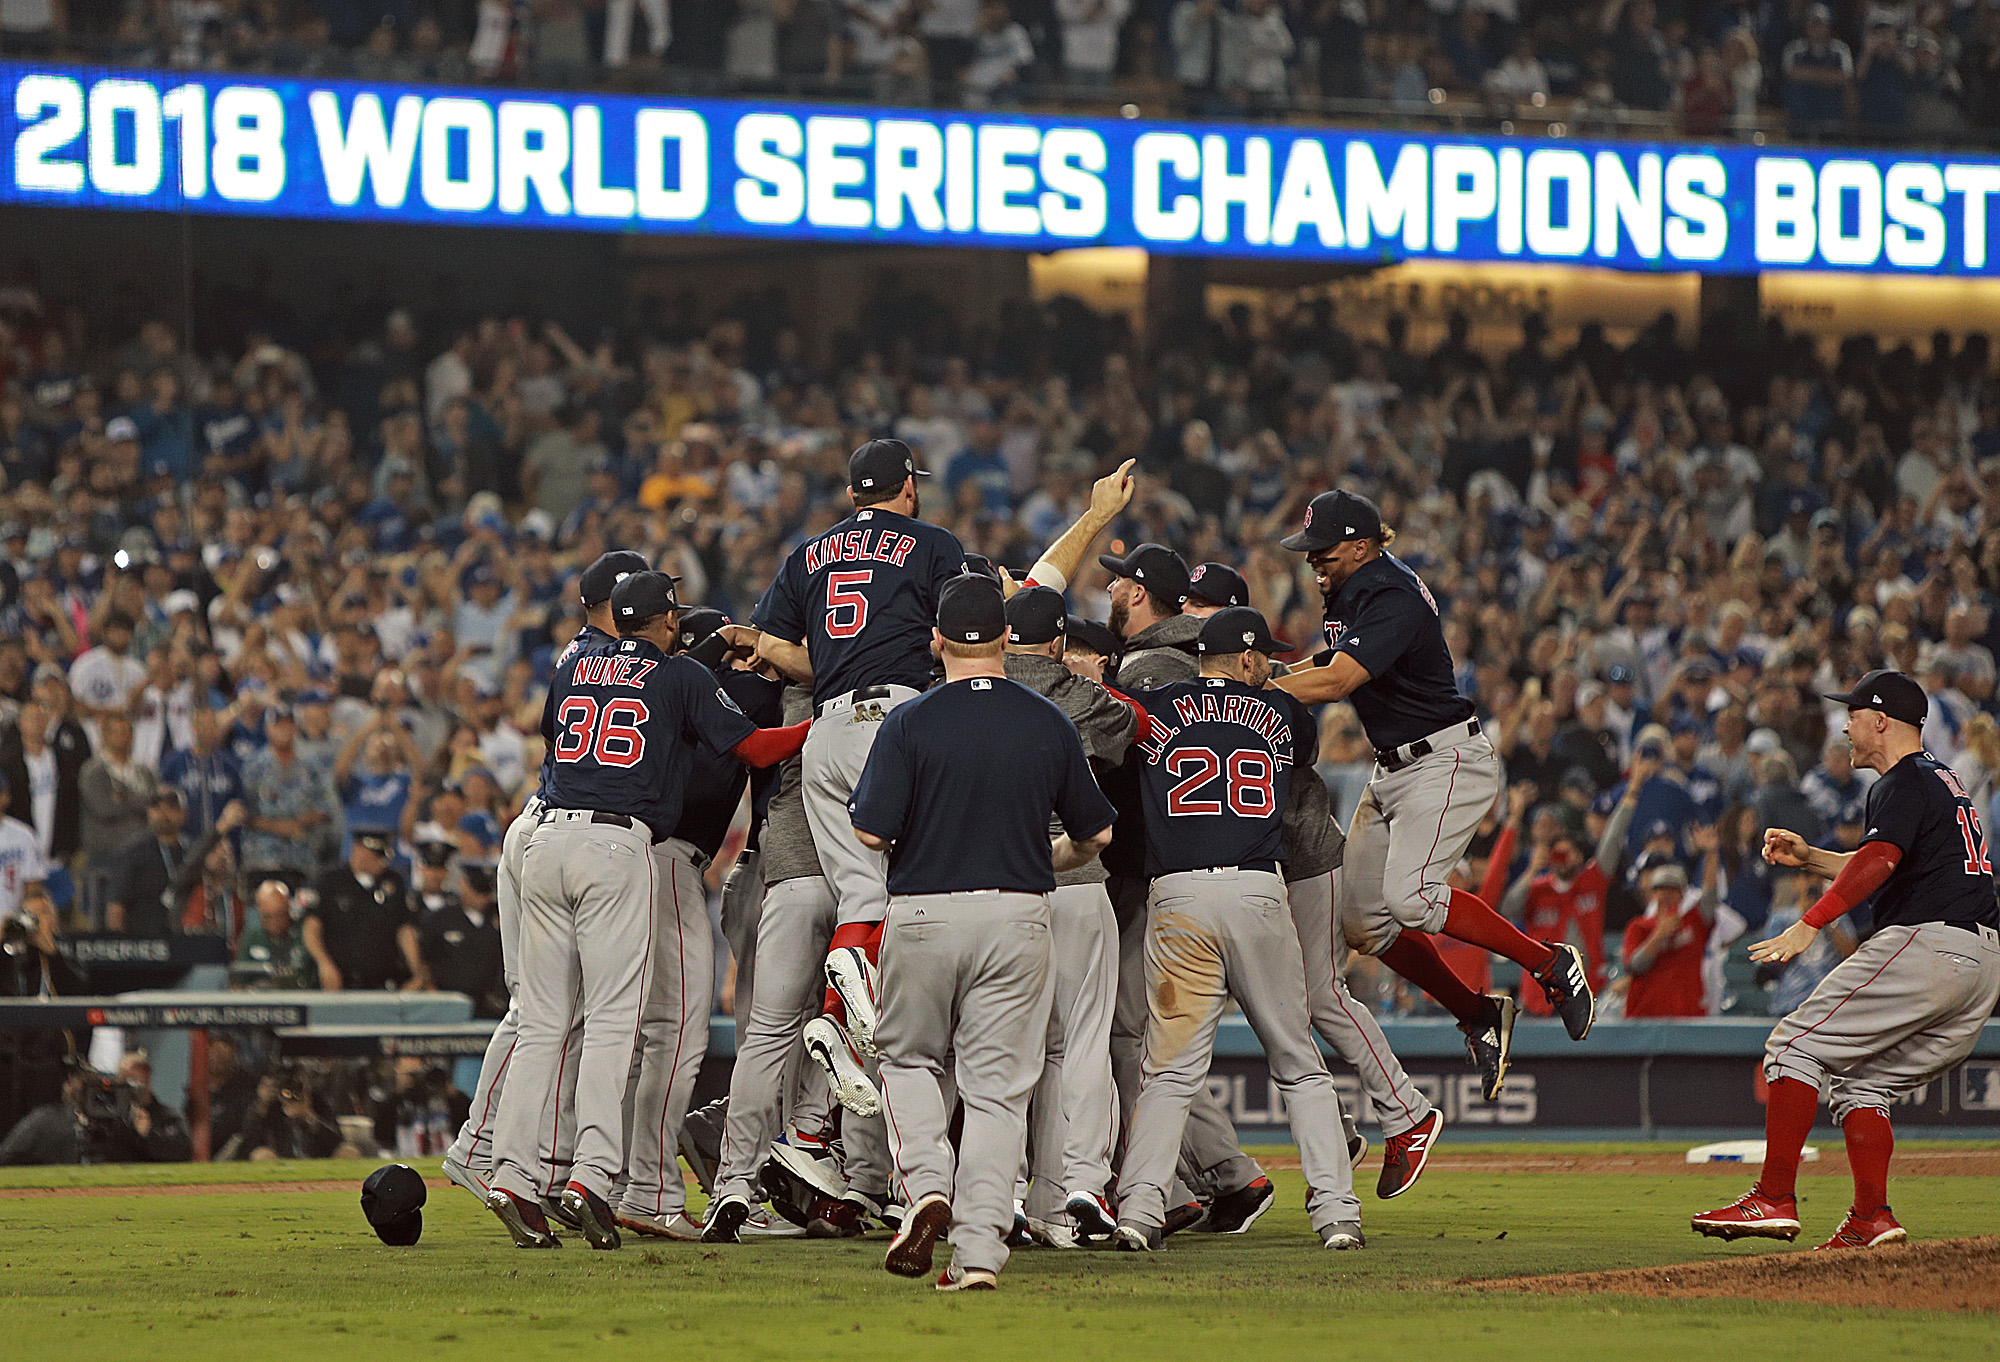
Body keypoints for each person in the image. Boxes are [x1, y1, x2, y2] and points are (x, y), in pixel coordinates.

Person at [484, 570, 807, 1251]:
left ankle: (512, 1172)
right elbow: (753, 747)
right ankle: (594, 1178)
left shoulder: (576, 662)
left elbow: (553, 736)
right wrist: (822, 728)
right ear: (663, 621)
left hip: (546, 836)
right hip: (616, 843)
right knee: (611, 1024)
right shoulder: (679, 676)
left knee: (544, 1022)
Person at [1272, 490, 1595, 1100]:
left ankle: (1550, 963)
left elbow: (1341, 679)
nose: (1314, 561)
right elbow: (1333, 659)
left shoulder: (1389, 590)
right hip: (1396, 770)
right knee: (1364, 922)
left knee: (1411, 898)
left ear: (1361, 546)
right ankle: (1476, 1013)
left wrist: (1263, 679)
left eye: (1325, 550)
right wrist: (1279, 673)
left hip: (1445, 759)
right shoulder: (1354, 588)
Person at [848, 574, 1116, 1290]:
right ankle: (978, 1255)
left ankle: (928, 1184)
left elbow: (870, 828)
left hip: (926, 913)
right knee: (1000, 1091)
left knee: (907, 1061)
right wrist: (1051, 855)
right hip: (1018, 912)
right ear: (1004, 638)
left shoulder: (908, 721)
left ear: (936, 640)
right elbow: (1096, 834)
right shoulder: (1047, 720)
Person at [1694, 671, 2000, 1251]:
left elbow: (1881, 861)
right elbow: (1884, 859)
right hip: (1981, 962)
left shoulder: (1902, 781)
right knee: (1863, 1082)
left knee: (1792, 1045)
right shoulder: (1939, 779)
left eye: (1854, 714)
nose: (1845, 724)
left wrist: (1810, 923)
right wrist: (1812, 858)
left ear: (1881, 721)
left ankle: (1774, 1197)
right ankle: (1870, 1217)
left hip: (1931, 943)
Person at [1110, 607, 1362, 1252]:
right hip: (1257, 890)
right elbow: (1296, 734)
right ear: (1248, 658)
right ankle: (1336, 1214)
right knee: (1298, 1062)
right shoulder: (1281, 713)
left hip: (1179, 898)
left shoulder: (1150, 707)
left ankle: (1139, 1212)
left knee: (1168, 1072)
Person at [441, 549, 645, 1211]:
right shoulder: (603, 660)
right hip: (550, 831)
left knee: (557, 1015)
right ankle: (480, 1148)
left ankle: (536, 1160)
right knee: (540, 1011)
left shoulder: (575, 657)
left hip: (545, 830)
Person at [999, 587, 1135, 1244]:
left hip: (1005, 887)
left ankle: (1008, 1193)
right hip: (1078, 878)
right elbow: (1128, 729)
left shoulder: (978, 692)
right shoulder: (1082, 697)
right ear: (1057, 641)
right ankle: (1079, 1182)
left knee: (1009, 1048)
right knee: (1080, 1044)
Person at [302, 832, 426, 993]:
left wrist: (417, 973)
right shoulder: (330, 881)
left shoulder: (393, 882)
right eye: (377, 856)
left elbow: (404, 930)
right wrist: (324, 963)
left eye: (384, 857)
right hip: (340, 981)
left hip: (383, 982)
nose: (383, 862)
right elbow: (311, 927)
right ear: (359, 850)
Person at [1619, 827, 1720, 1019]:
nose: (1666, 895)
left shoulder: (1693, 921)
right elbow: (1635, 967)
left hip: (1686, 1014)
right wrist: (1658, 936)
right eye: (1660, 889)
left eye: (1672, 889)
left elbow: (1710, 895)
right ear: (1651, 893)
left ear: (1682, 893)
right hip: (1644, 1017)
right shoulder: (1639, 926)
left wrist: (1712, 853)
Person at [104, 788, 191, 936]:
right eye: (156, 808)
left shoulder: (192, 852)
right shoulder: (132, 853)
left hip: (186, 940)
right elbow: (115, 908)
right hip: (144, 943)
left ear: (184, 814)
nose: (163, 814)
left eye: (171, 807)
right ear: (148, 812)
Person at [231, 879, 315, 989]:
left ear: (289, 908)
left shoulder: (305, 935)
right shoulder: (251, 938)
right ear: (259, 911)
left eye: (280, 914)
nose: (275, 922)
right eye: (268, 916)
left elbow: (314, 978)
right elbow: (239, 981)